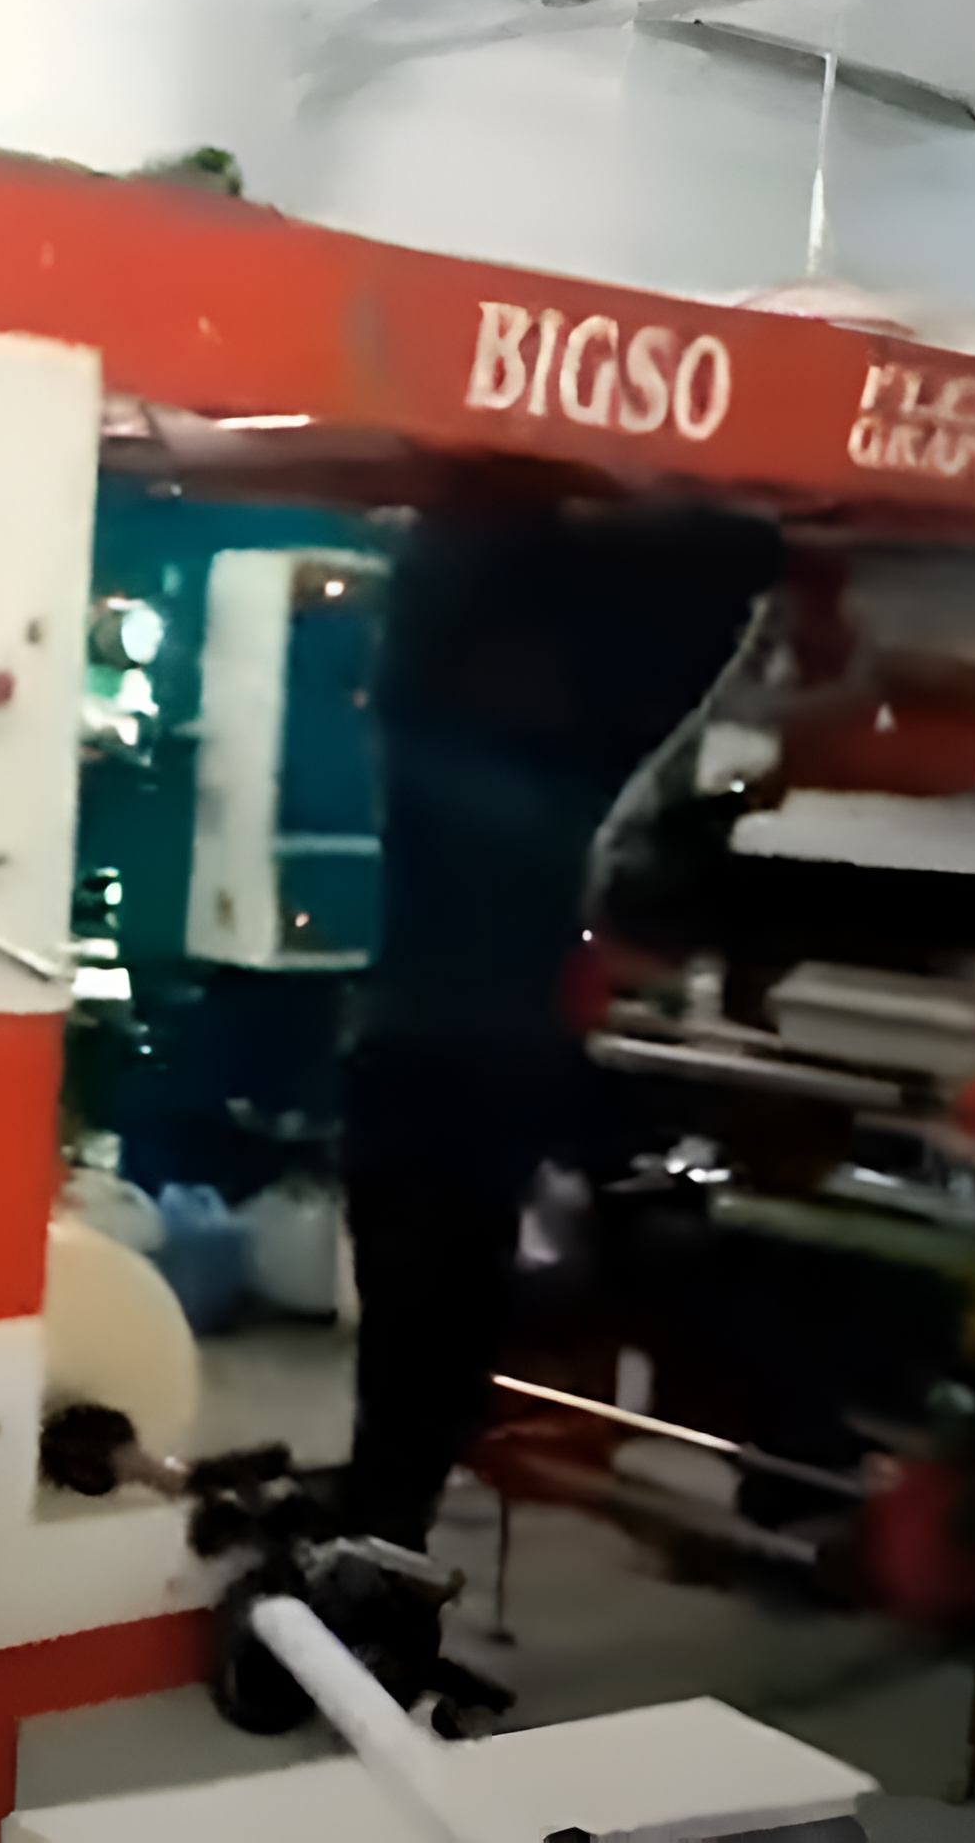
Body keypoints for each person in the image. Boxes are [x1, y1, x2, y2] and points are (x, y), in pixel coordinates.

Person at [340, 495, 778, 1549]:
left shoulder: (454, 736)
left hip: (441, 1051)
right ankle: (385, 1521)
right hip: (468, 1053)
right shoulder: (519, 750)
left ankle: (384, 1520)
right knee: (435, 1316)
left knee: (425, 1318)